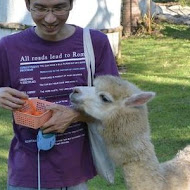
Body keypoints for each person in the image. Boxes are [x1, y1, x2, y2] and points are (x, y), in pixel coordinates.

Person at [0, 0, 119, 189]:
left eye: (59, 7)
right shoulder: (8, 47)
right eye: (40, 8)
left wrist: (74, 115)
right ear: (27, 4)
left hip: (75, 172)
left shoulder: (95, 43)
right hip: (27, 171)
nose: (49, 18)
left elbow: (116, 104)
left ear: (71, 4)